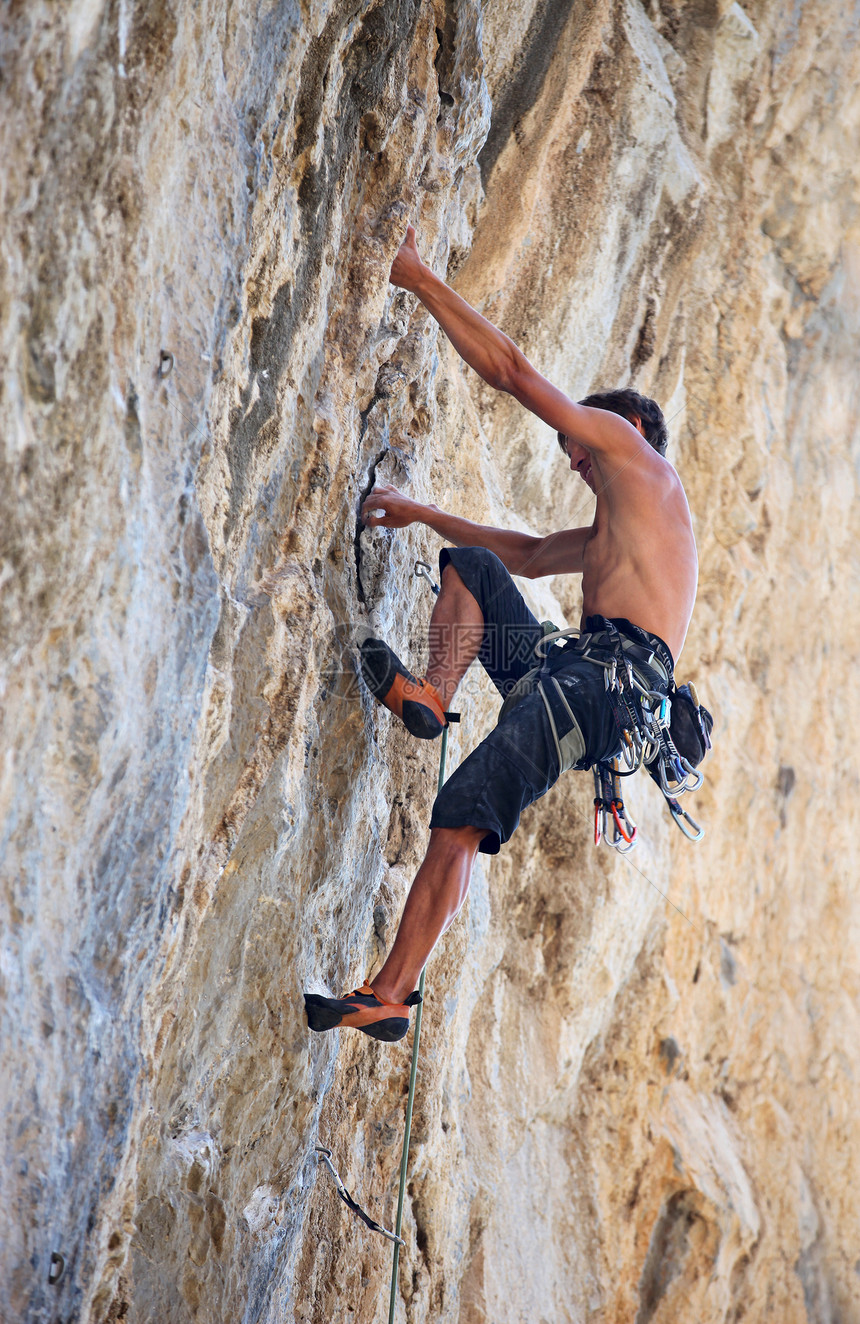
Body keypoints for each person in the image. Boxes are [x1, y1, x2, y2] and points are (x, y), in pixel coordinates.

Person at [304, 225, 698, 1043]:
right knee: (475, 569)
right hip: (580, 678)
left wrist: (419, 278)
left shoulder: (636, 458)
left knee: (463, 814)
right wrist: (419, 513)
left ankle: (390, 993)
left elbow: (515, 372)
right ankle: (428, 695)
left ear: (621, 430)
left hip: (594, 693)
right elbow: (517, 554)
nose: (573, 460)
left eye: (578, 442)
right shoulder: (621, 533)